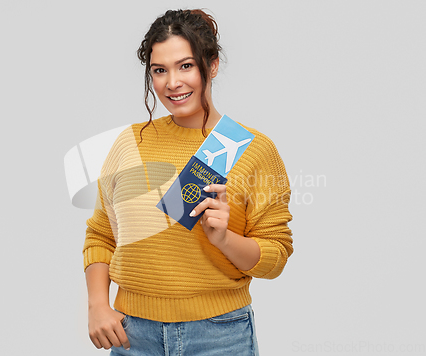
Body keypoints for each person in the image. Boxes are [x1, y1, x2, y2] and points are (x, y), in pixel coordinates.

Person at [83, 9, 293, 355]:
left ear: (211, 65)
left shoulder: (252, 149)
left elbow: (277, 254)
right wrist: (97, 305)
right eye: (159, 70)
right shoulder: (129, 143)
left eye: (186, 66)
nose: (172, 83)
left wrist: (225, 239)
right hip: (133, 335)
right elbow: (101, 234)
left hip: (219, 336)